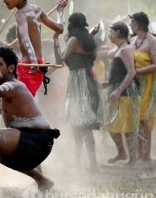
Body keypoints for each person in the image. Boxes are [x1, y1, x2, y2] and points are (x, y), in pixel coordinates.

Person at [0, 46, 60, 198]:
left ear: (11, 68)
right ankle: (42, 180)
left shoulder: (14, 86)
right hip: (26, 144)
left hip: (37, 140)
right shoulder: (1, 95)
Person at [0, 0, 67, 96]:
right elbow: (60, 28)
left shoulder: (20, 14)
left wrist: (33, 63)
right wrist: (60, 12)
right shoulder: (36, 9)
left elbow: (25, 39)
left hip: (29, 66)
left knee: (16, 102)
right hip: (37, 63)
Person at [53, 12, 100, 171]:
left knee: (79, 123)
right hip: (89, 80)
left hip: (79, 82)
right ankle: (88, 162)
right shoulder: (90, 41)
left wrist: (55, 41)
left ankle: (83, 162)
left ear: (71, 25)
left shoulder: (74, 40)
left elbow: (60, 60)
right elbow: (91, 59)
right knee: (83, 123)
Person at [102, 21, 140, 165]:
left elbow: (131, 72)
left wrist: (118, 90)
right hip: (117, 90)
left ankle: (133, 159)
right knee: (111, 125)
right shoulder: (119, 49)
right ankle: (122, 153)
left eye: (111, 31)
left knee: (128, 127)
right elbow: (121, 71)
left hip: (126, 93)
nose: (109, 34)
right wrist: (109, 83)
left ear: (118, 32)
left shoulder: (125, 49)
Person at [129, 12, 156, 162]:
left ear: (140, 24)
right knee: (136, 118)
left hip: (148, 83)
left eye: (133, 23)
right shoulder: (133, 40)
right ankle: (139, 152)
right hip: (134, 83)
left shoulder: (152, 41)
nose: (131, 25)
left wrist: (138, 71)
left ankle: (146, 154)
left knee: (144, 118)